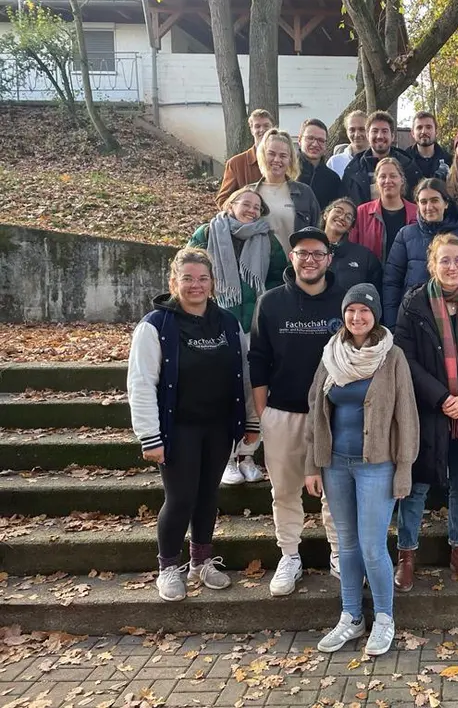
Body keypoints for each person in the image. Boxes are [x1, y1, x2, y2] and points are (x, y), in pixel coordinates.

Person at [128, 247, 258, 601]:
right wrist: (149, 437)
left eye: (203, 278)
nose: (195, 285)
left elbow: (244, 376)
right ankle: (169, 567)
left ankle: (202, 561)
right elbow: (140, 384)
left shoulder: (228, 323)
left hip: (218, 427)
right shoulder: (155, 326)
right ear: (173, 282)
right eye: (187, 278)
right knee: (181, 497)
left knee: (207, 496)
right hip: (178, 429)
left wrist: (250, 422)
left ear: (213, 283)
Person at [304, 283, 419, 656]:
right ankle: (351, 617)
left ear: (375, 315)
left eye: (364, 311)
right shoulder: (329, 355)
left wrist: (404, 469)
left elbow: (407, 416)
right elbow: (316, 415)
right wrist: (313, 464)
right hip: (336, 464)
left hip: (377, 466)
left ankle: (384, 618)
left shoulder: (392, 357)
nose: (357, 317)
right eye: (351, 310)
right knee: (348, 546)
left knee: (372, 547)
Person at [392, 235, 458, 591]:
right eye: (445, 261)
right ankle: (407, 554)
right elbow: (405, 357)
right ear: (432, 264)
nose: (452, 267)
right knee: (417, 486)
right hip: (428, 411)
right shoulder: (415, 303)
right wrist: (441, 398)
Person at [249, 227, 346, 596]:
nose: (310, 260)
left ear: (328, 259)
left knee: (336, 492)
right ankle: (289, 556)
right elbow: (257, 360)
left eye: (317, 253)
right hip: (284, 413)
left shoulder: (344, 301)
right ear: (292, 258)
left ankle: (339, 554)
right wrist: (264, 414)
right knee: (285, 491)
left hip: (335, 415)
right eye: (303, 253)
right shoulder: (270, 303)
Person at [187, 186, 287, 486]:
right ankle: (226, 456)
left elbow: (279, 274)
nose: (252, 210)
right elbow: (189, 266)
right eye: (246, 204)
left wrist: (265, 299)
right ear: (230, 205)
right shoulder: (208, 233)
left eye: (257, 207)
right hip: (217, 320)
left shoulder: (266, 238)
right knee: (223, 388)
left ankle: (247, 454)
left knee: (253, 388)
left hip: (254, 322)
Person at [382, 178, 458, 326]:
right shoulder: (405, 235)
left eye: (435, 200)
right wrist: (392, 325)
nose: (429, 207)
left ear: (446, 203)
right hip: (413, 319)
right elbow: (392, 283)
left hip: (454, 319)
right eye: (423, 202)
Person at [255, 129, 322, 255]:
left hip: (295, 268)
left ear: (290, 159)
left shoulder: (305, 193)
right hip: (258, 268)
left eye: (283, 156)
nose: (276, 159)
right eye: (271, 154)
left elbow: (317, 232)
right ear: (263, 155)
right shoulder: (249, 194)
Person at [341, 111, 423, 206]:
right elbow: (345, 204)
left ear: (392, 136)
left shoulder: (409, 168)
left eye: (384, 131)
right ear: (367, 135)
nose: (380, 136)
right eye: (375, 131)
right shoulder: (353, 170)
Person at [349, 157, 419, 262]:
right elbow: (352, 248)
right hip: (371, 276)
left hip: (408, 276)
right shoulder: (362, 212)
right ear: (376, 182)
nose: (387, 181)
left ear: (402, 180)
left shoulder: (417, 213)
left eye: (393, 176)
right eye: (382, 176)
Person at [321, 197, 383, 293]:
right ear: (325, 214)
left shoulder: (365, 257)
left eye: (348, 217)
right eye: (338, 211)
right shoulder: (307, 248)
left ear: (350, 228)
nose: (342, 217)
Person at [215, 109, 274, 208]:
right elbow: (223, 199)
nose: (262, 130)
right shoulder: (236, 164)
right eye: (257, 126)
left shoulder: (284, 161)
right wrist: (242, 210)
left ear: (272, 128)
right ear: (251, 130)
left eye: (266, 126)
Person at [297, 118, 342, 209]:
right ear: (299, 140)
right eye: (310, 138)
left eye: (321, 140)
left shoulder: (333, 179)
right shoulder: (286, 171)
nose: (315, 144)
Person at [406, 111, 452, 179]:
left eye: (428, 127)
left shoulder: (449, 161)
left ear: (436, 131)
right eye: (419, 127)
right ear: (413, 133)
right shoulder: (404, 160)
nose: (424, 131)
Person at [327, 110, 369, 177]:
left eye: (361, 129)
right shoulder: (334, 163)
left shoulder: (379, 160)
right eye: (352, 130)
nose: (357, 134)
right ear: (347, 132)